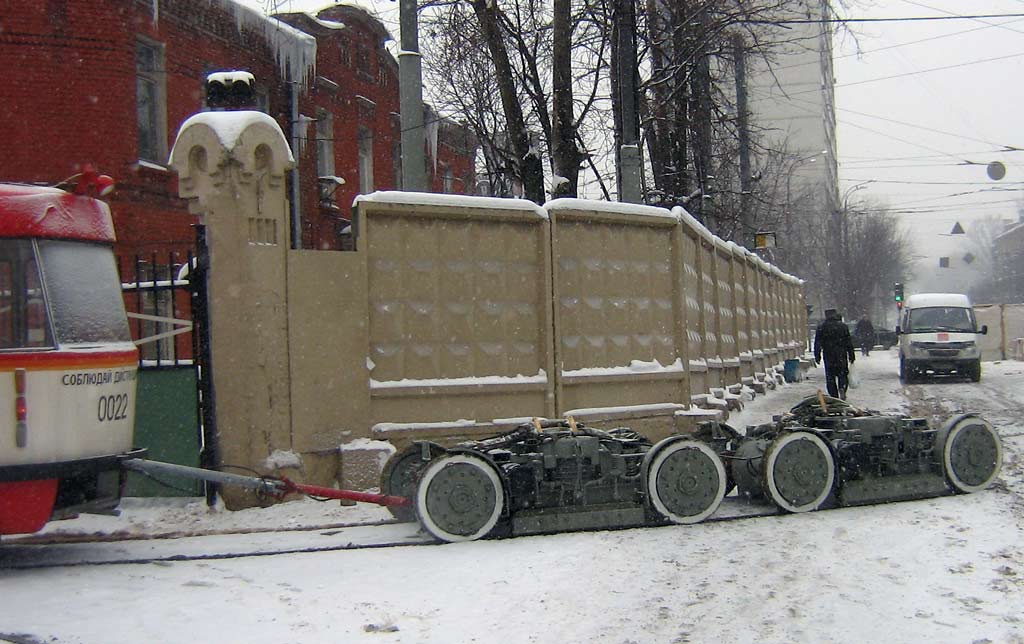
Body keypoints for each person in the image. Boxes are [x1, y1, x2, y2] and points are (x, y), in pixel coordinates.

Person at [814, 308, 856, 399]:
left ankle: (834, 395)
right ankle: (842, 388)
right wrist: (851, 355)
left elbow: (817, 342)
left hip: (829, 355)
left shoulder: (822, 327)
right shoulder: (843, 326)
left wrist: (817, 356)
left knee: (830, 377)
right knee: (843, 374)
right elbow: (848, 342)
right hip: (841, 354)